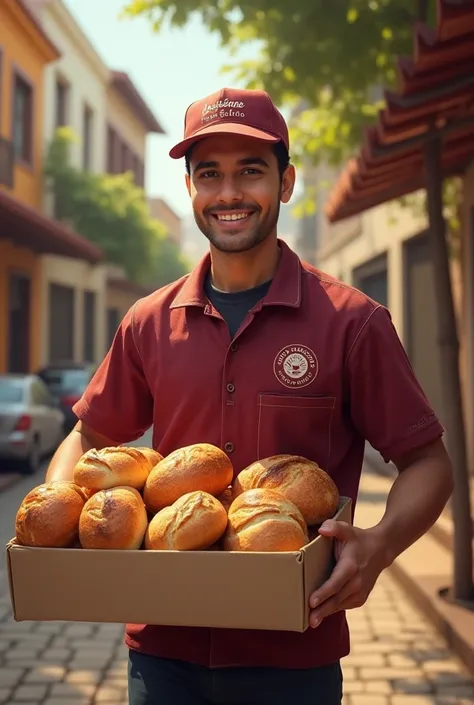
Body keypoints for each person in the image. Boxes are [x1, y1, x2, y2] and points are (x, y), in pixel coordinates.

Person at [46, 87, 454, 705]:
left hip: (294, 651)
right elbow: (90, 436)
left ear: (286, 183)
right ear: (189, 190)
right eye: (209, 175)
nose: (229, 193)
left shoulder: (352, 322)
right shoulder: (148, 324)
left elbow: (429, 463)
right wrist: (62, 515)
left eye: (251, 172)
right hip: (164, 652)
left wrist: (380, 545)